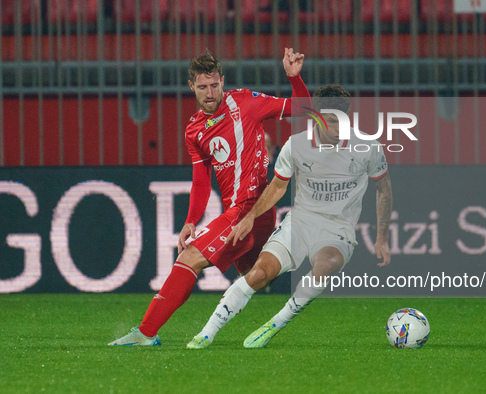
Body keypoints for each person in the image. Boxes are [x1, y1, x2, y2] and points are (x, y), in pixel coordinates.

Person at [109, 48, 310, 346]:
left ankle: (146, 333)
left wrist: (294, 78)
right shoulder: (194, 130)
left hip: (250, 208)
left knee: (189, 258)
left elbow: (302, 108)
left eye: (215, 85)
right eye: (202, 87)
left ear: (223, 81)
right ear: (191, 87)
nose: (210, 92)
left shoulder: (246, 101)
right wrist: (190, 220)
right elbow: (201, 182)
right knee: (256, 274)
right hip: (243, 213)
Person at [186, 84, 393, 349]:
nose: (338, 128)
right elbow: (277, 186)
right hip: (301, 223)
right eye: (330, 121)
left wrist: (382, 237)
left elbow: (384, 189)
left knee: (326, 264)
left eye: (342, 121)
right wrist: (250, 217)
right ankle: (207, 332)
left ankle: (277, 322)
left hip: (338, 228)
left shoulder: (367, 147)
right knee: (260, 275)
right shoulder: (297, 145)